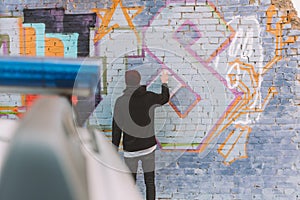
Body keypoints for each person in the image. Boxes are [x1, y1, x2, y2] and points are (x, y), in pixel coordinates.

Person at [112, 69, 169, 200]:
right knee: (149, 182)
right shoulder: (149, 97)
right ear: (138, 81)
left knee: (130, 184)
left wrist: (113, 151)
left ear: (126, 83)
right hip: (148, 147)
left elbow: (116, 129)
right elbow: (164, 98)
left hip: (130, 151)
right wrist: (164, 83)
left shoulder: (120, 102)